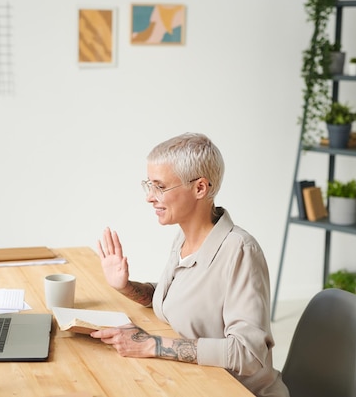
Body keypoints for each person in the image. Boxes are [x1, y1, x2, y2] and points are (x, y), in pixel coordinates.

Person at [91, 132, 289, 397]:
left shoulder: (240, 251)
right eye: (149, 185)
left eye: (160, 187)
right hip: (193, 381)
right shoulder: (184, 237)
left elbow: (249, 354)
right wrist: (125, 286)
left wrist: (153, 345)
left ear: (200, 188)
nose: (150, 197)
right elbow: (181, 297)